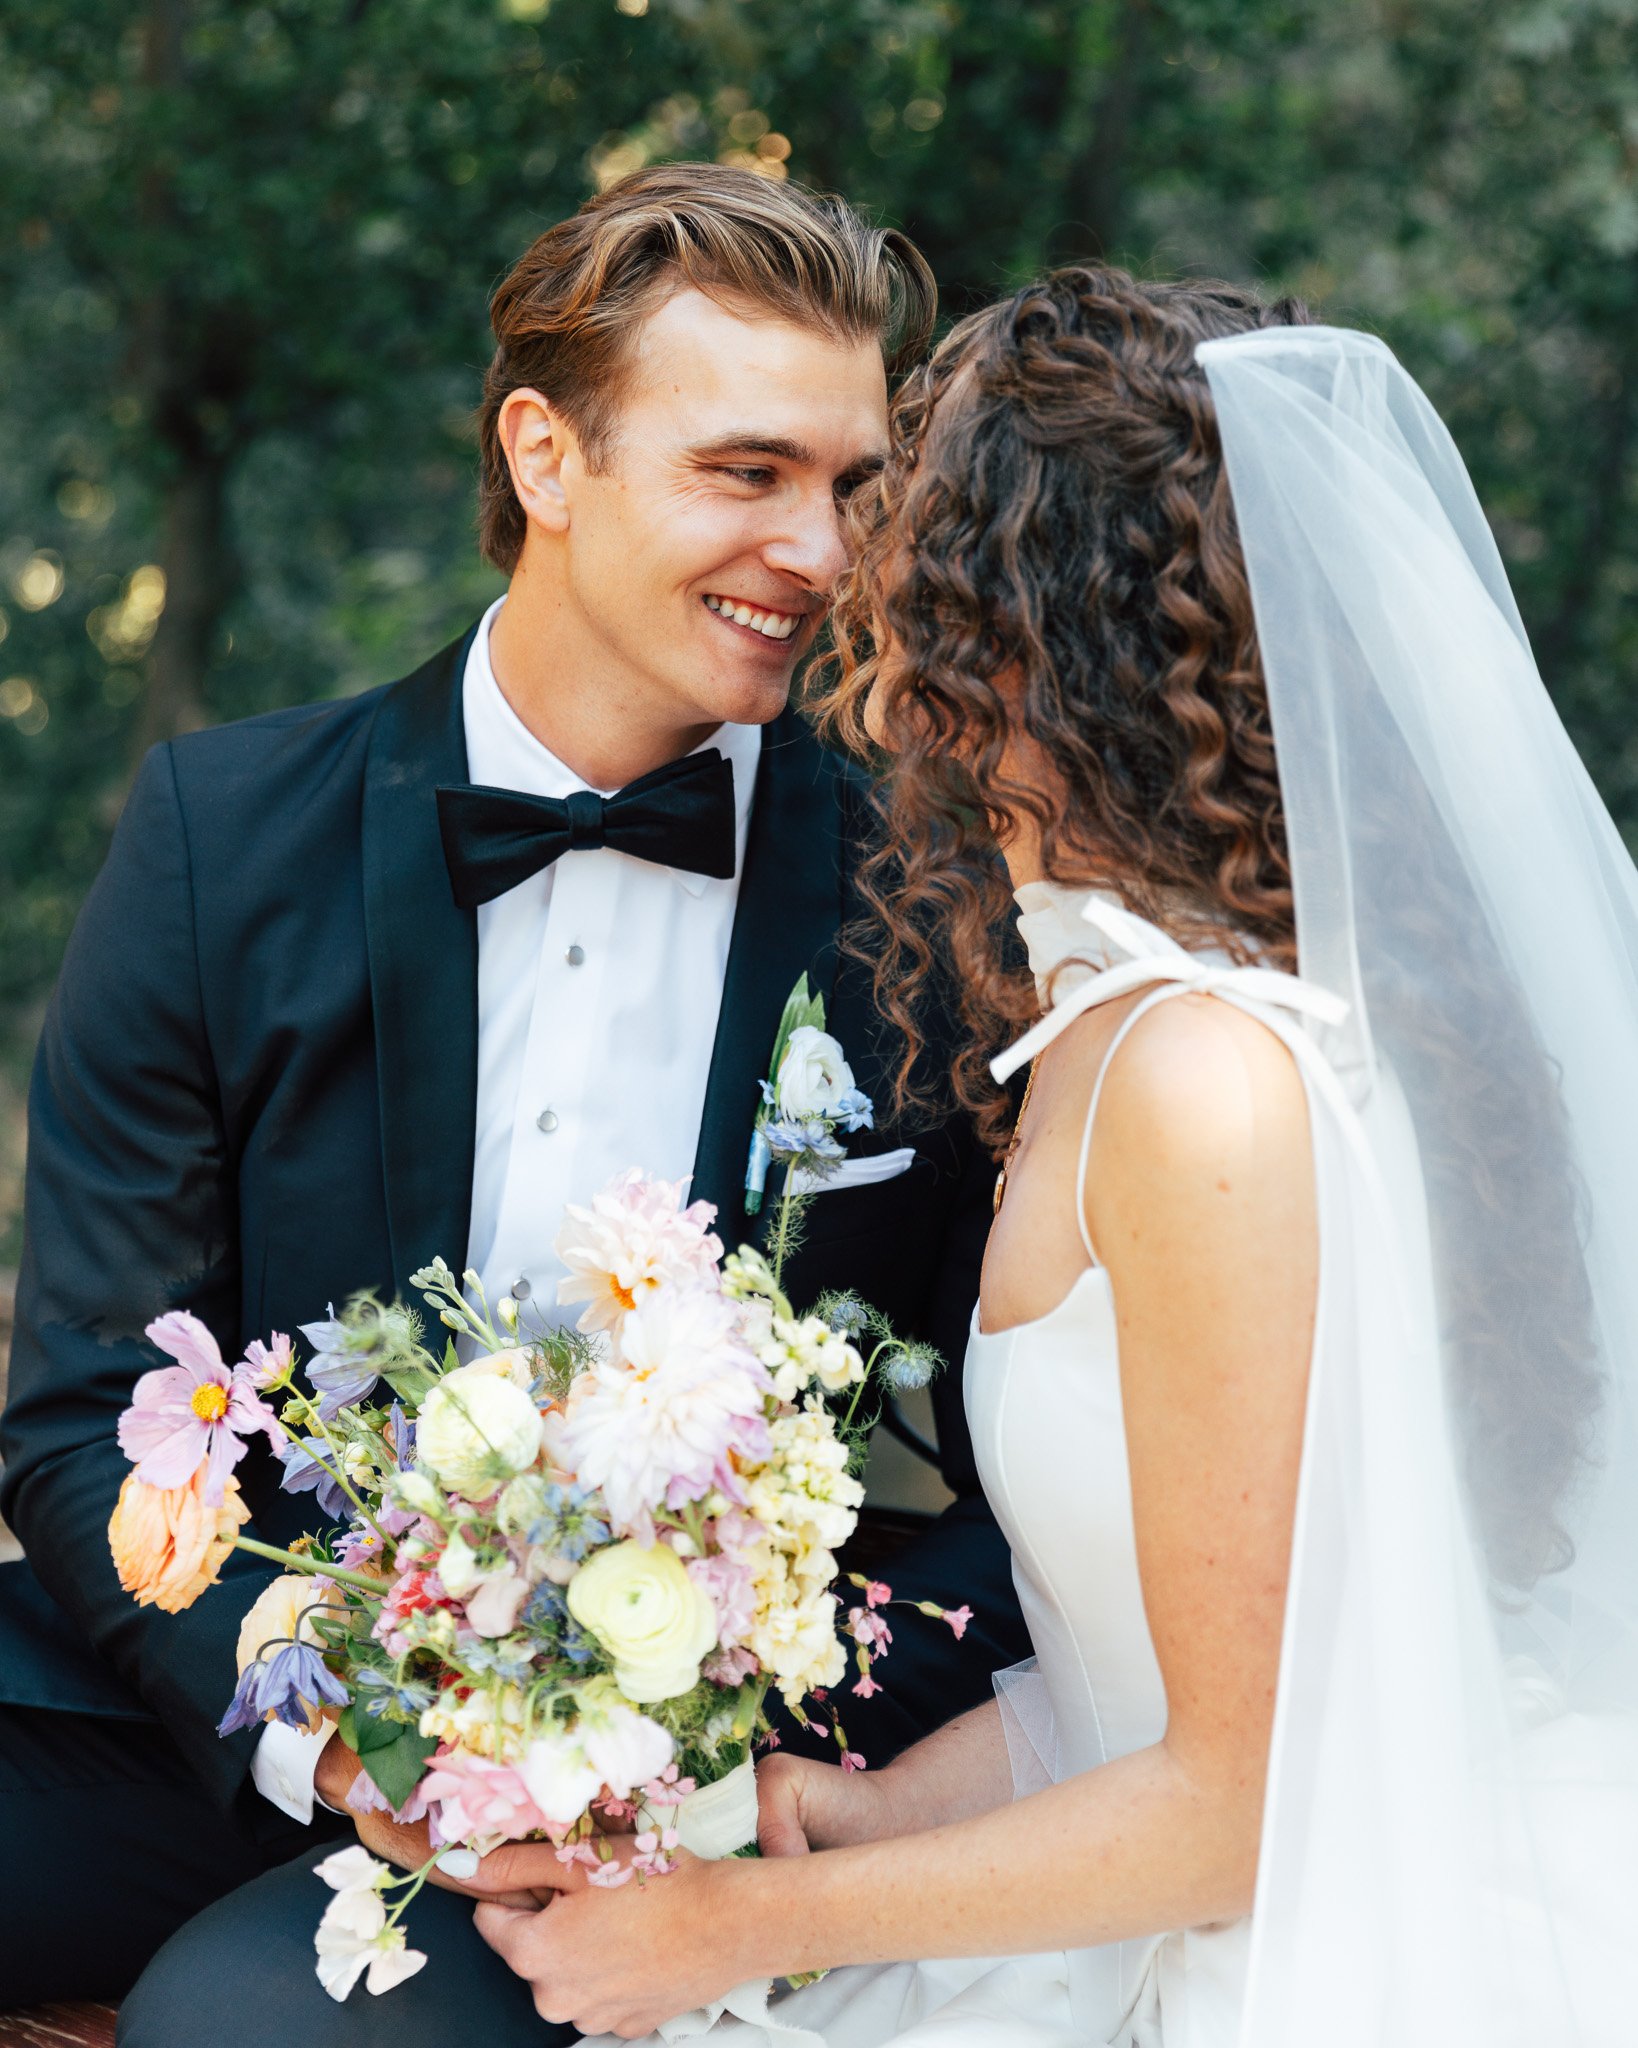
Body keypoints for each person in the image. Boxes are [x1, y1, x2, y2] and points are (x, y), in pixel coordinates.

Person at [443, 270, 1638, 2045]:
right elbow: (1148, 1658)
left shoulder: (1207, 1085)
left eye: (903, 547)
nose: (852, 592)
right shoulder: (1103, 1018)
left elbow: (1239, 1796)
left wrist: (740, 1926)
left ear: (1017, 628)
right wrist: (882, 1808)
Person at [0, 165, 1030, 2036]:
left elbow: (1016, 1459)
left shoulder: (941, 901)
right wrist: (338, 1744)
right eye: (746, 473)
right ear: (544, 457)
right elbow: (85, 1412)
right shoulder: (219, 840)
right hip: (225, 1709)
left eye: (854, 488)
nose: (820, 549)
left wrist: (684, 1741)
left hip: (679, 1799)